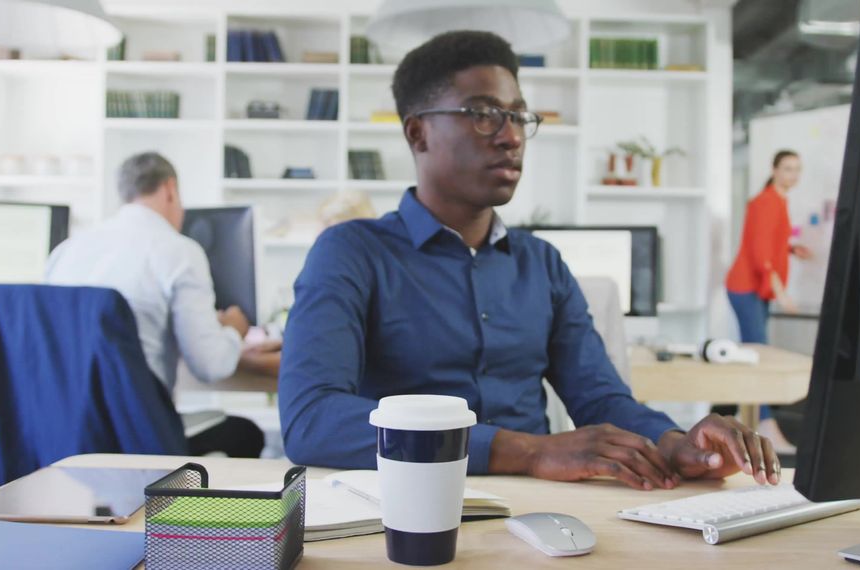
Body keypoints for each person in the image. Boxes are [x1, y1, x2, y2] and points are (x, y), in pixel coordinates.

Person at [278, 31, 780, 490]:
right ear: (417, 134)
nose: (511, 136)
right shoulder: (352, 252)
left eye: (518, 116)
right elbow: (312, 420)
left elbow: (599, 398)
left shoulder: (542, 263)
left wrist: (674, 442)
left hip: (540, 509)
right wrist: (527, 451)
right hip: (403, 502)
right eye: (482, 113)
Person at [46, 151, 277, 457]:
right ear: (170, 189)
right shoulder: (178, 251)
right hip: (135, 433)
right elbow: (210, 365)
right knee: (245, 434)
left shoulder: (66, 251)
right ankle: (174, 506)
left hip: (65, 432)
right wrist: (235, 328)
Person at [724, 150, 813, 452]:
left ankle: (750, 422)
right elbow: (761, 256)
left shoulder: (777, 201)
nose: (793, 175)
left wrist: (791, 249)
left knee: (754, 353)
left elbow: (769, 242)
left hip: (754, 290)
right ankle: (764, 426)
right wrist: (783, 293)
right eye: (787, 169)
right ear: (774, 170)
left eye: (796, 170)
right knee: (757, 356)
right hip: (745, 287)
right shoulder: (765, 202)